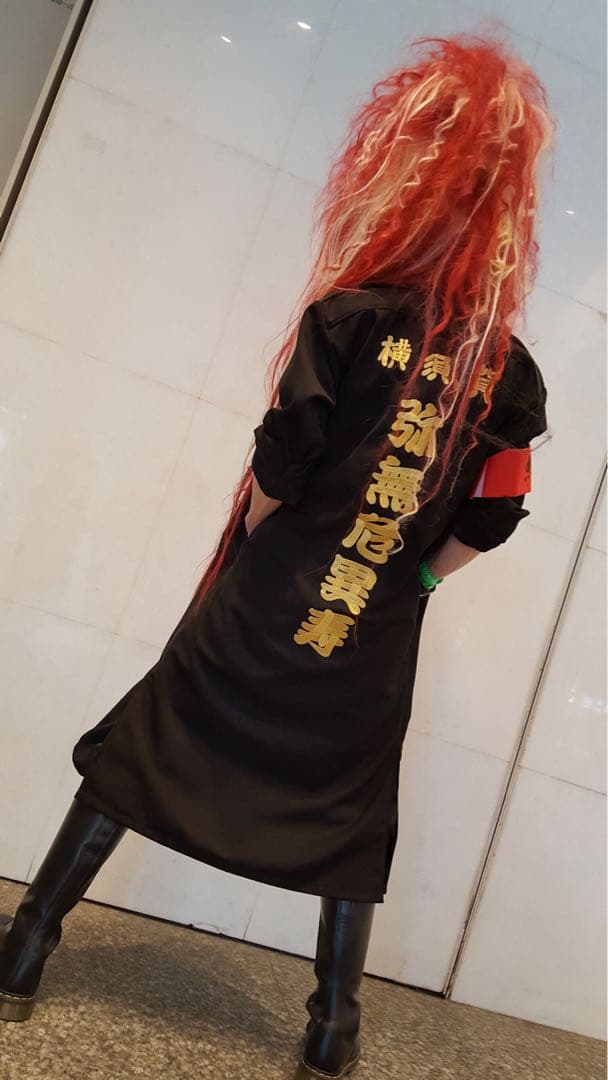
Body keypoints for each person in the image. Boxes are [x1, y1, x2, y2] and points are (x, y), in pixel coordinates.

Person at [0, 32, 553, 1080]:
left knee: (144, 746)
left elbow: (281, 464)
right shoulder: (508, 375)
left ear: (414, 188)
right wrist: (413, 579)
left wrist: (266, 551)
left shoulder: (348, 319)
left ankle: (25, 948)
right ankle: (331, 1031)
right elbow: (494, 515)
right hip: (369, 637)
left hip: (263, 602)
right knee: (348, 812)